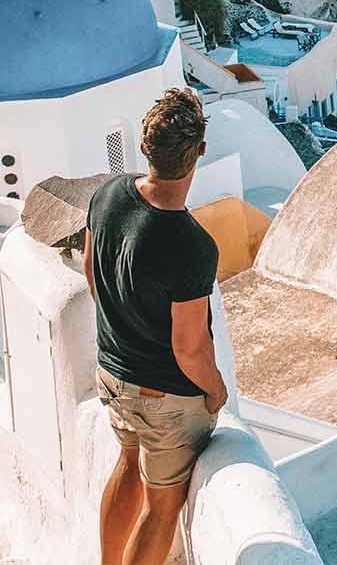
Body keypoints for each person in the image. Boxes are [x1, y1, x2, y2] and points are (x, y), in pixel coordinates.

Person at [83, 88, 228, 565]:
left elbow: (90, 269)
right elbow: (189, 346)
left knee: (127, 466)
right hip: (163, 396)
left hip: (111, 373)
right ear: (199, 152)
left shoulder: (107, 195)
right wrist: (215, 391)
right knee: (161, 508)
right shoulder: (190, 244)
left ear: (145, 147)